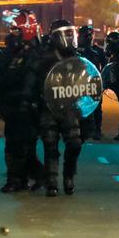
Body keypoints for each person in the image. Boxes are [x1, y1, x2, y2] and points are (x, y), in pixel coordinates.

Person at [36, 20, 87, 196]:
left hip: (70, 109)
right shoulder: (44, 58)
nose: (70, 38)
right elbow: (33, 83)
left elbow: (87, 84)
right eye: (65, 34)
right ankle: (51, 181)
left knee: (75, 144)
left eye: (71, 33)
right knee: (50, 146)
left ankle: (68, 175)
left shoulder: (78, 59)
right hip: (48, 108)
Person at [0, 27, 44, 192]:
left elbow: (32, 83)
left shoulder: (33, 56)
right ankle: (32, 177)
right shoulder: (13, 55)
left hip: (27, 107)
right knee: (19, 145)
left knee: (20, 145)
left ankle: (18, 179)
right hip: (13, 106)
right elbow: (2, 80)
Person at [76, 26, 107, 141]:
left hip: (94, 82)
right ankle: (84, 129)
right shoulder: (75, 50)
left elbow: (105, 67)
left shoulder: (97, 51)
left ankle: (97, 130)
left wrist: (103, 80)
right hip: (79, 82)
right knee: (79, 106)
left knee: (96, 107)